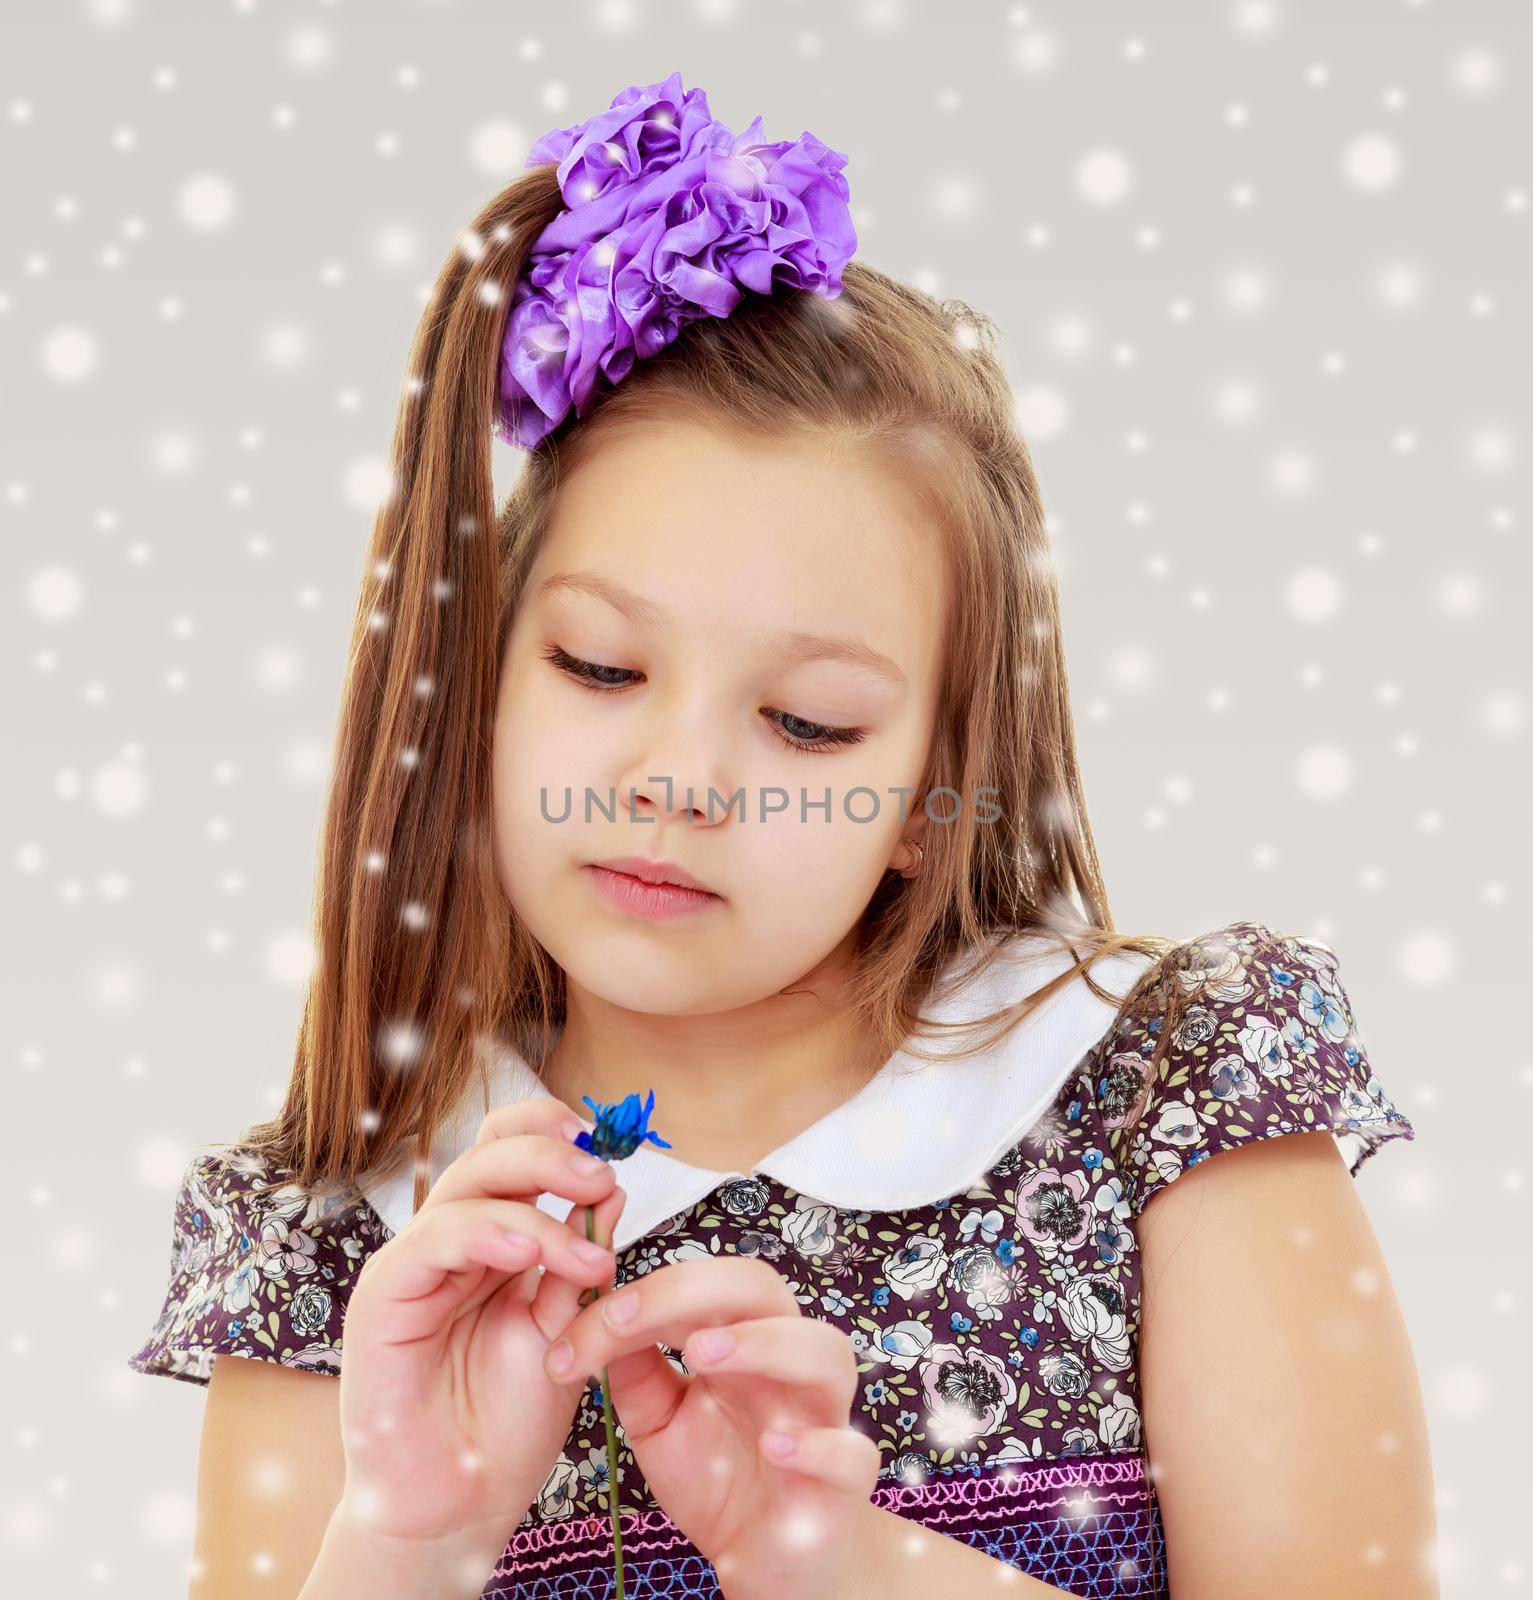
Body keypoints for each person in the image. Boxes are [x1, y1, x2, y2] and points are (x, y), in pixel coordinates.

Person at [128, 70, 1438, 1600]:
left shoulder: (1162, 1102)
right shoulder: (336, 1240)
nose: (678, 779)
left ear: (930, 793)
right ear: (481, 672)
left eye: (807, 725)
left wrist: (848, 1568)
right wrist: (410, 1547)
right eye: (599, 668)